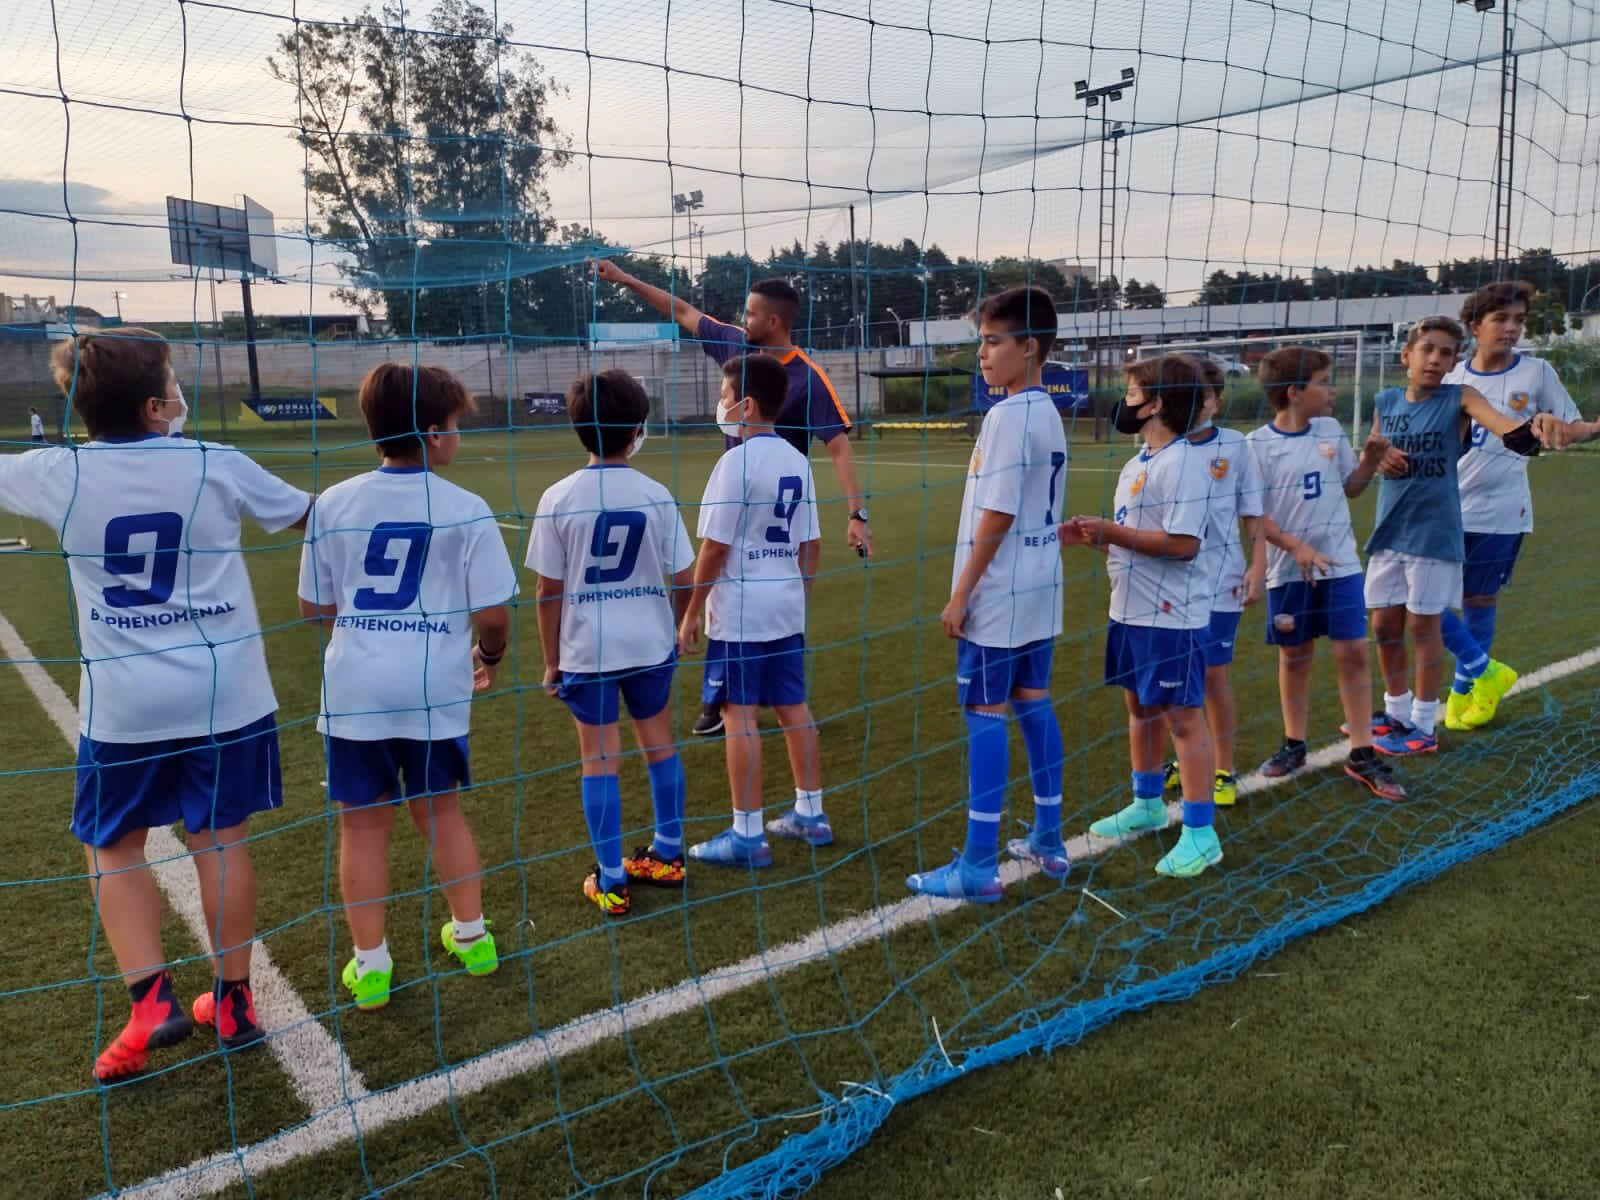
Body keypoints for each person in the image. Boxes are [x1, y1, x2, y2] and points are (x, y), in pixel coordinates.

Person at [0, 328, 309, 1081]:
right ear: (152, 403)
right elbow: (310, 515)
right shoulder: (213, 461)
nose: (180, 394)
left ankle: (151, 1002)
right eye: (171, 382)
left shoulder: (55, 473)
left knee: (112, 845)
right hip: (225, 694)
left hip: (125, 704)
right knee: (220, 836)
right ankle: (233, 1001)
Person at [297, 363, 516, 1011]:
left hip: (356, 687)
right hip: (432, 685)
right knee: (440, 811)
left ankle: (371, 966)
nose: (459, 436)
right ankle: (472, 938)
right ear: (431, 432)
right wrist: (489, 654)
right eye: (454, 426)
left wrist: (366, 633)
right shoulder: (466, 508)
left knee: (362, 827)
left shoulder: (333, 503)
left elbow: (314, 608)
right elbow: (496, 614)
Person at [591, 259, 870, 737]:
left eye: (751, 313)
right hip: (737, 496)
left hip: (779, 508)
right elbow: (682, 312)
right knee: (729, 589)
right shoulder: (736, 348)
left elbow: (838, 443)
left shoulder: (807, 376)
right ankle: (719, 700)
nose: (744, 320)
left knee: (754, 594)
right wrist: (626, 280)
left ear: (774, 321)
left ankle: (766, 698)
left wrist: (856, 513)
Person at [905, 286, 1068, 902]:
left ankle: (976, 865)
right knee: (1034, 702)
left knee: (985, 715)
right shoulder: (1048, 410)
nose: (983, 353)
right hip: (1039, 582)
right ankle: (1048, 838)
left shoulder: (1006, 416)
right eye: (981, 341)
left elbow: (996, 514)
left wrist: (960, 593)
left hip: (999, 592)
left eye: (994, 341)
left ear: (1030, 347)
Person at [526, 370, 697, 918]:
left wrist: (552, 662)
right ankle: (668, 854)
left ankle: (614, 879)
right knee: (660, 745)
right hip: (649, 646)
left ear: (580, 429)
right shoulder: (656, 494)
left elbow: (547, 591)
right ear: (637, 429)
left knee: (599, 760)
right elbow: (685, 578)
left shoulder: (559, 497)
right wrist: (676, 626)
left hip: (587, 651)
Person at [1363, 317, 1568, 756]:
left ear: (1455, 361)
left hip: (1435, 531)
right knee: (1383, 625)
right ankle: (1394, 711)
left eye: (1446, 353)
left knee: (1423, 627)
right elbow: (1375, 447)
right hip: (1390, 529)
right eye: (1428, 350)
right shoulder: (1385, 400)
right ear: (1406, 356)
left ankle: (1422, 724)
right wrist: (1380, 457)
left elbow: (1501, 424)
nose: (1436, 359)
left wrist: (1528, 432)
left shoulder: (1461, 398)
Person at [1061, 354, 1221, 879]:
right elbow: (1133, 539)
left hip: (1171, 616)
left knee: (1182, 717)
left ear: (1156, 404)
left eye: (1132, 394)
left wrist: (1112, 532)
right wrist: (1094, 537)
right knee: (1139, 708)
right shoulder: (1139, 464)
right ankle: (1148, 802)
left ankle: (1201, 833)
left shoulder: (1185, 463)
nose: (1123, 404)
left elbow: (1183, 544)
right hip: (1128, 609)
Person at [677, 353, 828, 866]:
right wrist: (797, 595)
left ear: (747, 403)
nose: (721, 404)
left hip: (741, 607)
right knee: (793, 707)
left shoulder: (734, 462)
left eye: (724, 395)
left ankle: (747, 834)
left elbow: (715, 548)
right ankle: (811, 813)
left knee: (736, 712)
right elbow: (812, 544)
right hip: (785, 601)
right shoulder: (797, 460)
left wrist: (692, 610)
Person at [1244, 347, 1405, 800]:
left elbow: (1351, 488)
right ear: (1295, 392)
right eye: (1323, 381)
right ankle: (1293, 744)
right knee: (1294, 655)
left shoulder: (1331, 430)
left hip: (1340, 565)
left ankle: (1362, 751)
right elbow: (1255, 518)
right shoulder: (1256, 446)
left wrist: (1371, 460)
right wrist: (1297, 547)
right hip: (1288, 571)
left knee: (1353, 651)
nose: (1332, 390)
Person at [1438, 280, 1579, 730]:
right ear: (1475, 325)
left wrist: (1559, 427)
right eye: (1501, 319)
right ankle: (1484, 671)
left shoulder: (1536, 374)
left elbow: (1572, 427)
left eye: (1519, 320)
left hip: (1501, 510)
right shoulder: (1452, 379)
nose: (1512, 328)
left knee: (1478, 599)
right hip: (1443, 508)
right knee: (1416, 601)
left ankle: (1465, 693)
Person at [1159, 355, 1265, 808]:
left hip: (1220, 582)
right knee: (1173, 679)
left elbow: (1253, 514)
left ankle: (1223, 768)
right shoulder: (1162, 446)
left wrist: (1258, 565)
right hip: (1170, 584)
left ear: (1216, 401)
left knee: (1213, 675)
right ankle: (1187, 760)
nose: (1194, 404)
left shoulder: (1236, 446)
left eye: (1201, 395)